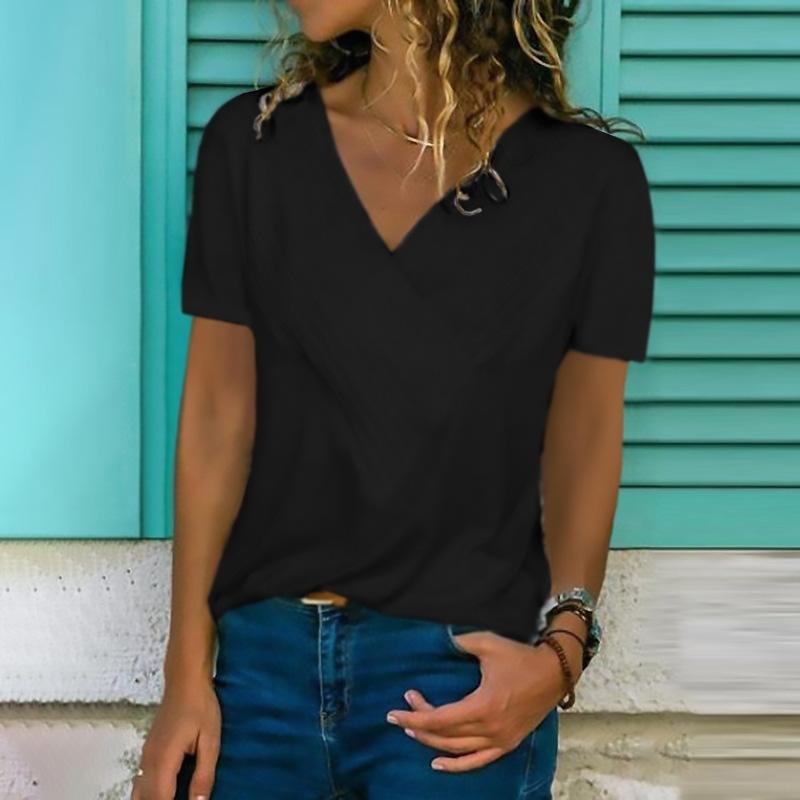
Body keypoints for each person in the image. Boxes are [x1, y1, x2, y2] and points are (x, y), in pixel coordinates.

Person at [132, 1, 655, 798]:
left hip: (459, 682)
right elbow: (215, 419)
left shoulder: (590, 180)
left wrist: (562, 655)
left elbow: (584, 436)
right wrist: (185, 677)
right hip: (257, 677)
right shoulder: (255, 143)